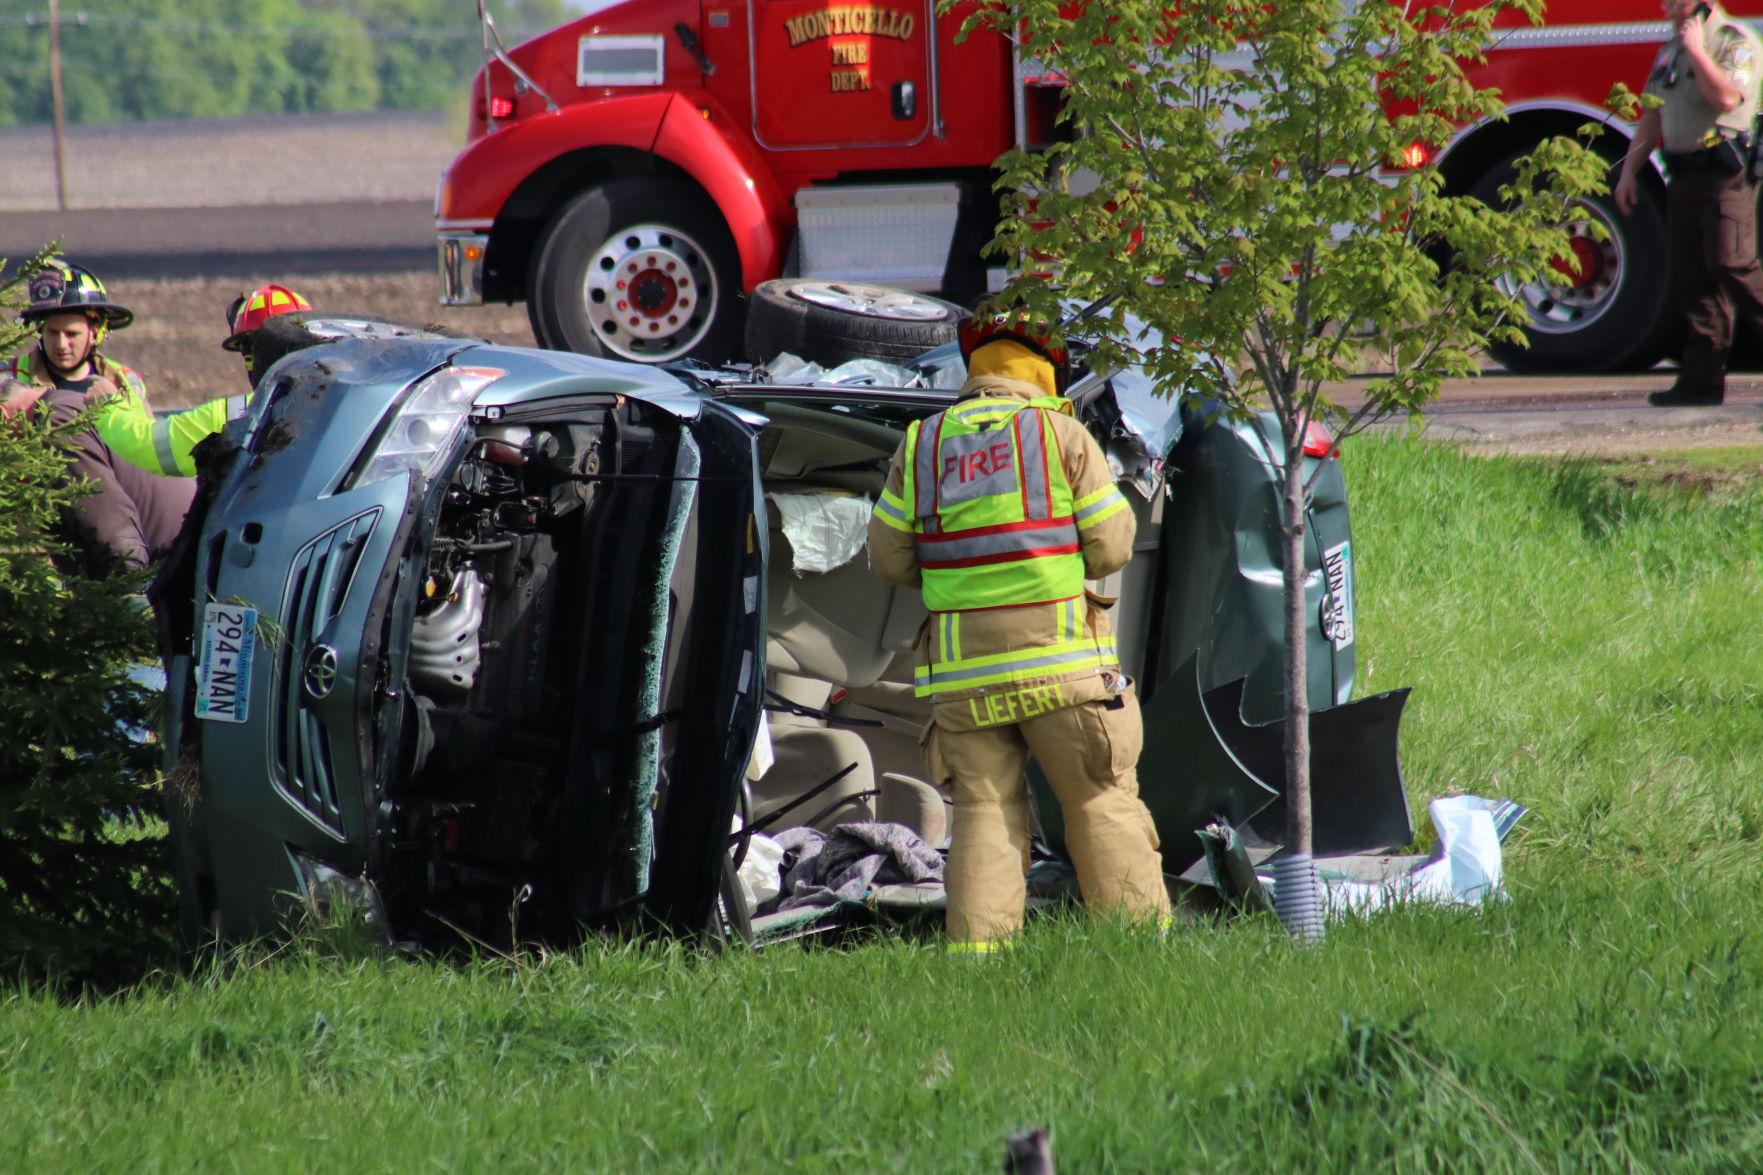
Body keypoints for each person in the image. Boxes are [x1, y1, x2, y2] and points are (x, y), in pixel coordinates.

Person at [867, 314, 1171, 951]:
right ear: (1046, 368)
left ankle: (978, 961)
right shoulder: (1061, 434)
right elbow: (1114, 546)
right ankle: (1138, 951)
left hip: (964, 683)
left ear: (977, 368)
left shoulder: (921, 445)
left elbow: (891, 562)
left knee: (983, 813)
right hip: (1062, 670)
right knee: (1097, 799)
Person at [0, 263, 196, 573]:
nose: (61, 344)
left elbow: (140, 455)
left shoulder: (123, 382)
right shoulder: (10, 380)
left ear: (97, 331)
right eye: (52, 332)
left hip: (117, 521)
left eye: (71, 333)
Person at [1615, 0, 1763, 407]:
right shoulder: (1669, 51)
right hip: (1683, 176)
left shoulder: (1735, 42)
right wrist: (1629, 172)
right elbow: (1651, 115)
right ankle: (1701, 383)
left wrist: (1699, 51)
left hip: (1725, 175)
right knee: (1691, 276)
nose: (1663, 2)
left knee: (1731, 262)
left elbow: (1727, 98)